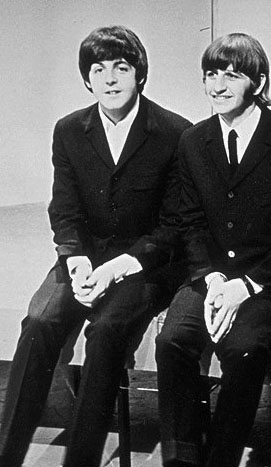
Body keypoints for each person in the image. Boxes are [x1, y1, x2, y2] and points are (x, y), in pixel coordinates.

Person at [0, 25, 191, 467]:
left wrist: (117, 268)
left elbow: (173, 227)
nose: (109, 79)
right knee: (39, 322)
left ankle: (81, 460)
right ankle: (7, 455)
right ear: (87, 78)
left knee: (105, 332)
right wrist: (77, 261)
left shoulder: (175, 132)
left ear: (140, 74)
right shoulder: (69, 130)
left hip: (144, 265)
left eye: (120, 68)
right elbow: (64, 210)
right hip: (84, 259)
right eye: (98, 69)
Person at [154, 32, 271, 467]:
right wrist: (211, 278)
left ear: (259, 82)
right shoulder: (193, 141)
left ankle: (221, 459)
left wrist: (245, 286)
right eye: (211, 75)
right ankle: (182, 459)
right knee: (172, 341)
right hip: (210, 277)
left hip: (270, 283)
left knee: (243, 350)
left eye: (232, 75)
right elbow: (189, 221)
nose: (218, 85)